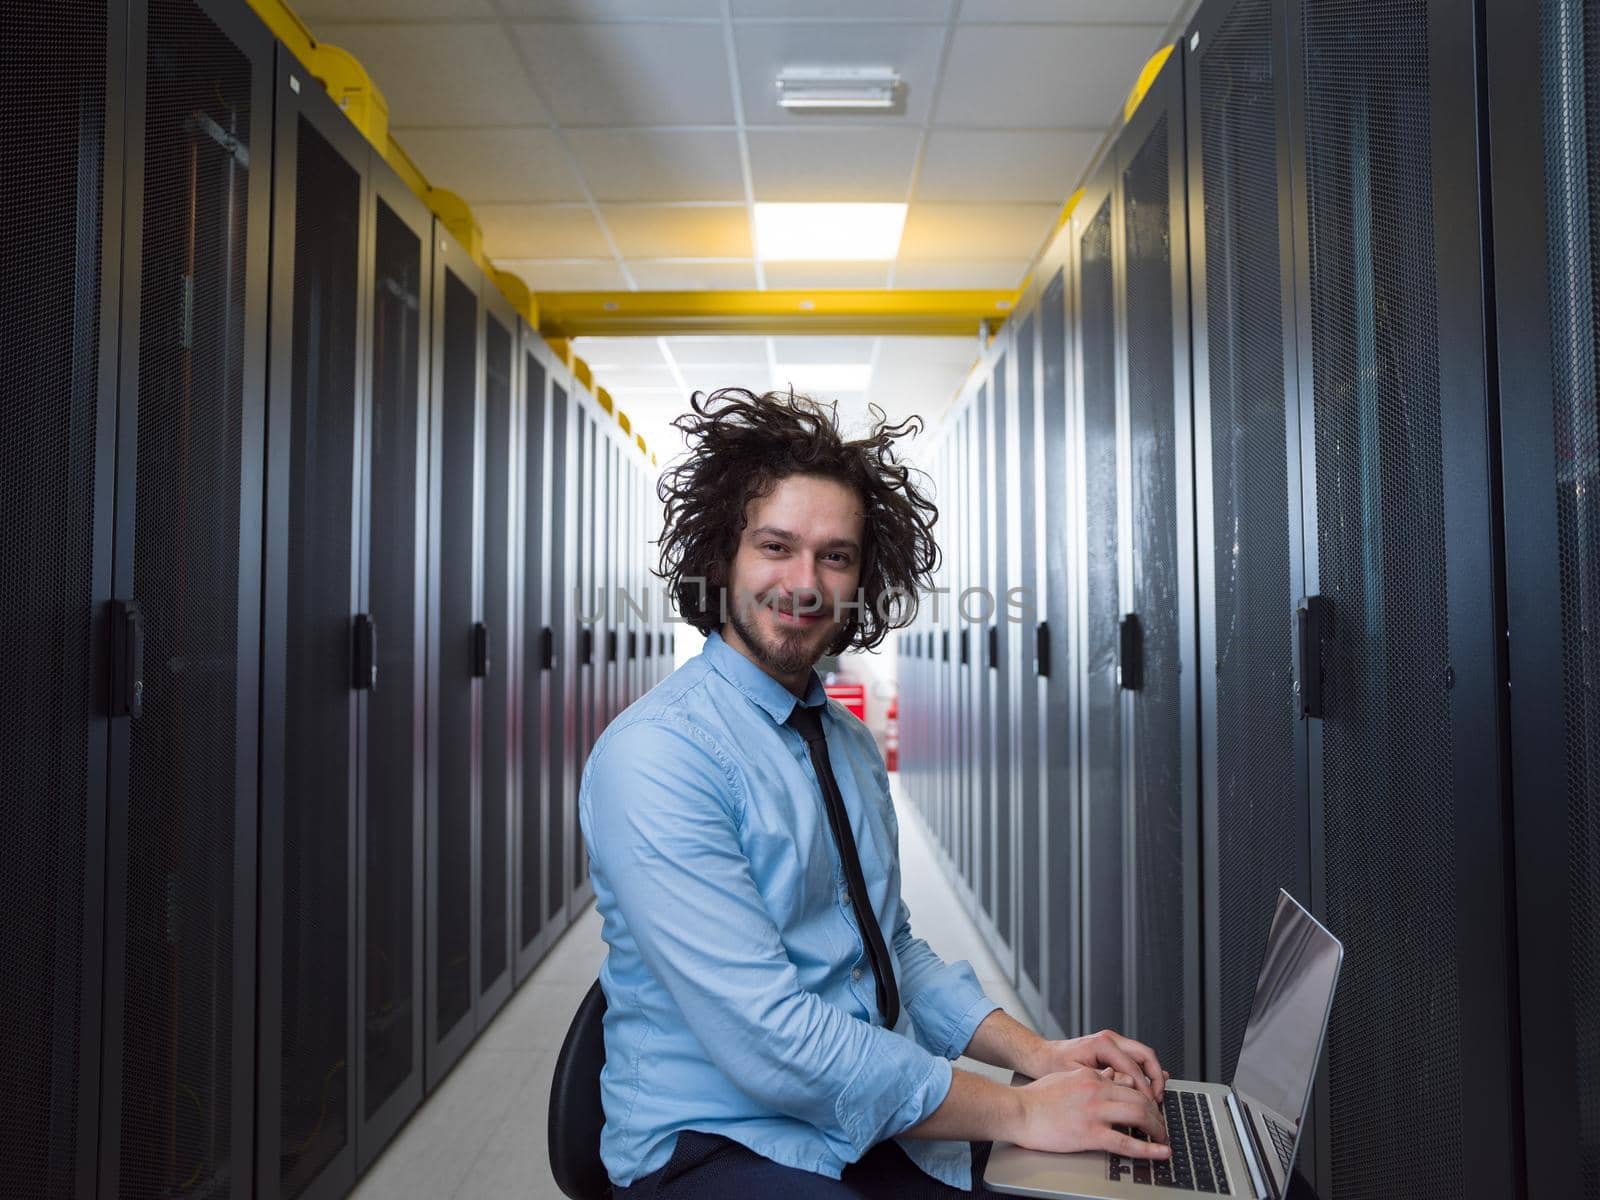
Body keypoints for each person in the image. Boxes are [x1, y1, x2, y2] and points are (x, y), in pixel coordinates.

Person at [579, 388, 1171, 1198]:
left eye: (835, 555)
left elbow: (890, 954)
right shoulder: (658, 758)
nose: (804, 582)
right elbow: (770, 1042)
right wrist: (1021, 1113)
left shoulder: (847, 745)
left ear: (863, 576)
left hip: (862, 1114)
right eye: (776, 547)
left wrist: (1039, 1058)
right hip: (716, 1142)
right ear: (722, 559)